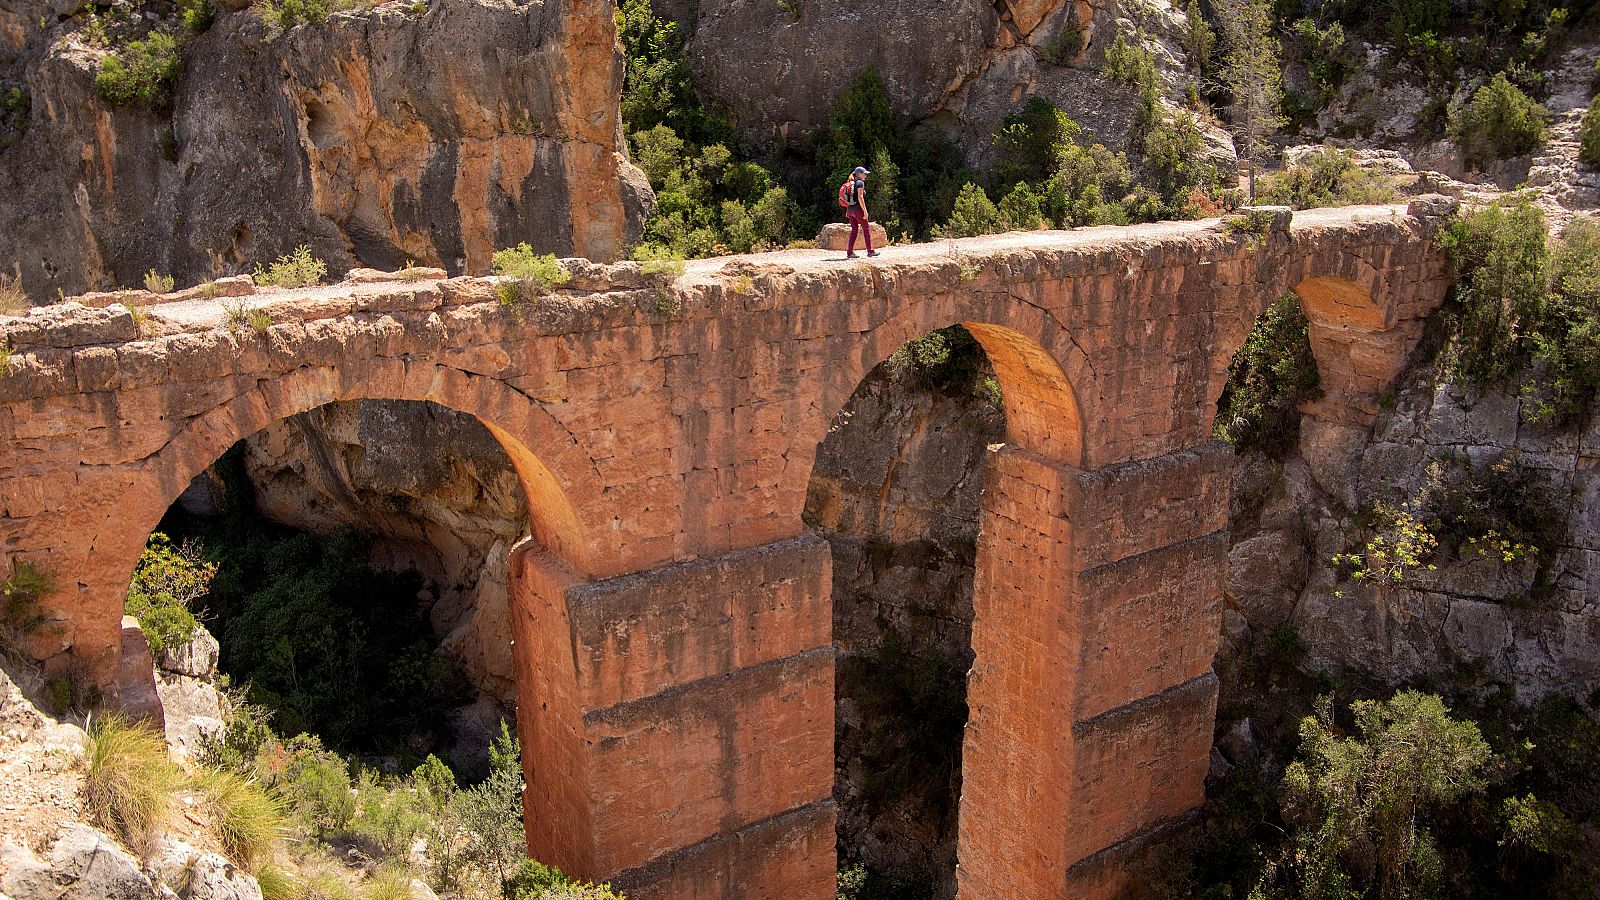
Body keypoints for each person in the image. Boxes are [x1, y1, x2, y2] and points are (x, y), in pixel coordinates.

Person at [844, 166, 879, 259]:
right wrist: (865, 211)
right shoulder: (860, 183)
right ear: (859, 174)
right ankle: (870, 251)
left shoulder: (851, 183)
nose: (865, 176)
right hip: (858, 210)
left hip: (850, 210)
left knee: (854, 230)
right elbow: (860, 197)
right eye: (864, 174)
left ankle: (850, 252)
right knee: (866, 229)